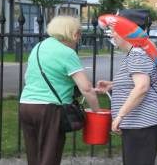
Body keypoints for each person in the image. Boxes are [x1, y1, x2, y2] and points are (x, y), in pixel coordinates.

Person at [19, 16, 100, 165]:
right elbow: (86, 88)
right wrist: (96, 111)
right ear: (73, 33)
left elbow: (30, 77)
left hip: (26, 105)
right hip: (49, 109)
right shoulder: (67, 53)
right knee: (50, 156)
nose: (79, 38)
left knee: (34, 156)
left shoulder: (39, 47)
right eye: (79, 33)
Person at [95, 14, 157, 165]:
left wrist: (120, 116)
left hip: (142, 124)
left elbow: (142, 87)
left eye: (114, 30)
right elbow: (137, 83)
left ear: (124, 32)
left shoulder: (137, 55)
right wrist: (112, 85)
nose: (112, 35)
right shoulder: (137, 53)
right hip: (139, 124)